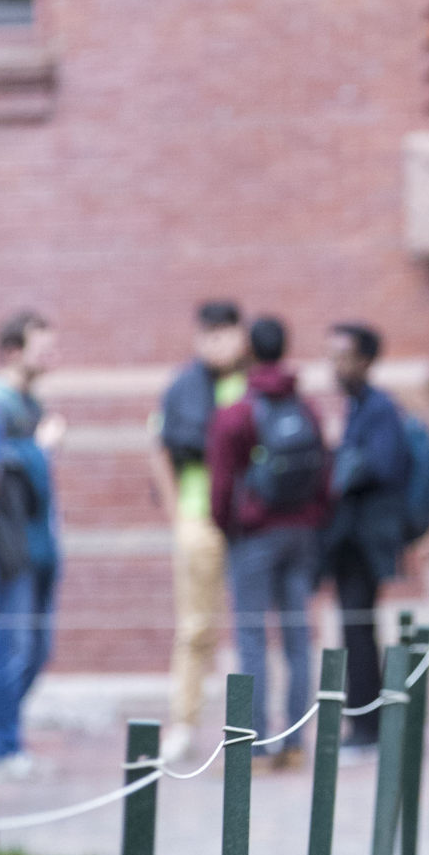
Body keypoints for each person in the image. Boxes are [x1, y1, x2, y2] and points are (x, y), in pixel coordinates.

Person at [207, 316, 330, 767]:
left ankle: (253, 746)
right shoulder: (308, 409)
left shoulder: (237, 413)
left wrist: (228, 526)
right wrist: (313, 518)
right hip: (301, 533)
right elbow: (325, 472)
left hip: (254, 536)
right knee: (298, 637)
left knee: (252, 638)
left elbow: (220, 486)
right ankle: (295, 744)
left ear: (251, 353)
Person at [150, 301, 250, 760]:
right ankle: (184, 723)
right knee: (194, 628)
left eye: (225, 333)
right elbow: (162, 450)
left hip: (250, 521)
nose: (217, 343)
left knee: (254, 625)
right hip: (198, 519)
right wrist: (177, 518)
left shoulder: (253, 383)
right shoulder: (182, 388)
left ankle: (257, 724)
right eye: (209, 334)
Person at [0, 310, 64, 776]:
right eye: (41, 345)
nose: (51, 354)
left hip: (41, 544)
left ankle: (1, 734)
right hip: (13, 547)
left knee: (35, 648)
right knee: (14, 647)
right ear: (13, 351)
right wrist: (42, 447)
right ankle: (0, 744)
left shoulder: (31, 403)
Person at [320, 323, 411, 746]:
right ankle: (361, 724)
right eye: (331, 355)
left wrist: (344, 466)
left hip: (362, 542)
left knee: (358, 627)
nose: (335, 365)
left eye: (343, 355)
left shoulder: (379, 409)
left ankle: (365, 728)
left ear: (365, 360)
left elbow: (385, 466)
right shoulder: (358, 407)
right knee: (354, 628)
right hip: (349, 541)